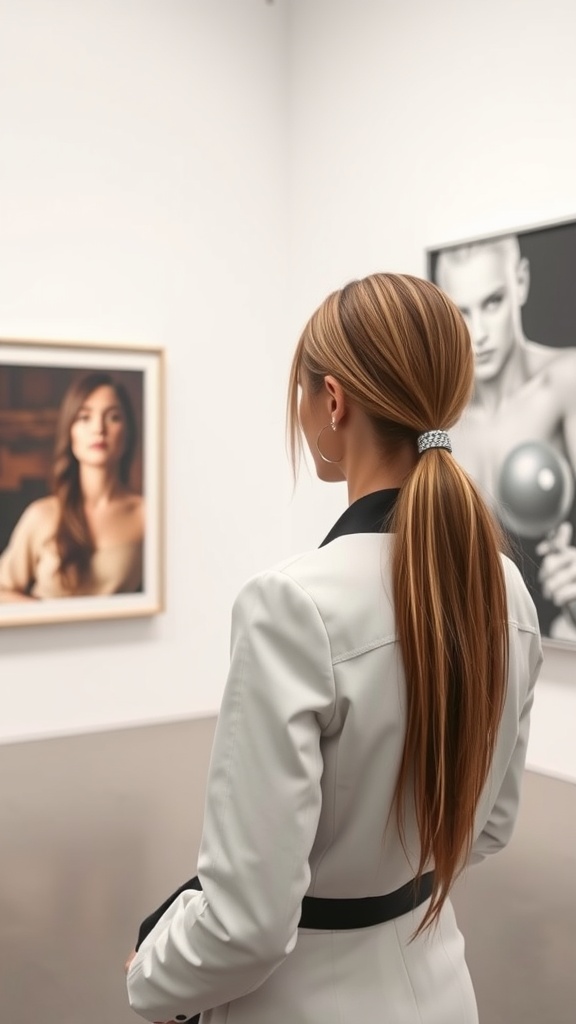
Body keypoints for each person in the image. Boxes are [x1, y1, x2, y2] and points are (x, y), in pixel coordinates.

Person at [125, 274, 542, 1024]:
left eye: (302, 391)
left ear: (334, 401)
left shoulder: (292, 604)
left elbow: (246, 927)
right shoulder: (507, 588)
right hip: (444, 986)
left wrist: (150, 976)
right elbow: (489, 826)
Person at [434, 235, 576, 640]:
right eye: (461, 311)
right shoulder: (438, 418)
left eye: (493, 302)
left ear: (522, 282)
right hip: (472, 650)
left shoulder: (564, 382)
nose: (478, 333)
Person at [0, 371, 144, 601]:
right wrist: (48, 616)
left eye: (113, 417)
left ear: (127, 434)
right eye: (84, 417)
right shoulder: (42, 515)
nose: (98, 429)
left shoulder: (147, 515)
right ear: (70, 432)